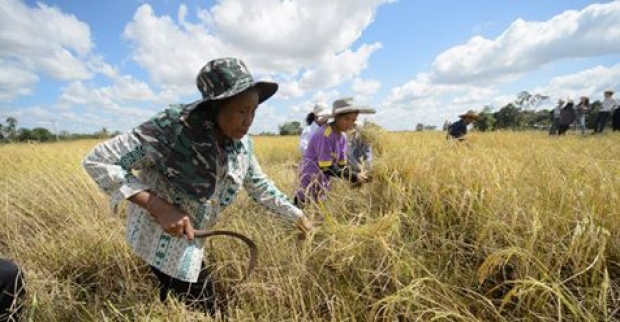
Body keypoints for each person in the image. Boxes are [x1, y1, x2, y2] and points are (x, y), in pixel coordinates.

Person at [82, 57, 313, 315]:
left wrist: (295, 214)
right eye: (241, 110)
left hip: (191, 239)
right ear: (215, 107)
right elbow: (98, 160)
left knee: (177, 299)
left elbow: (258, 184)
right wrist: (159, 207)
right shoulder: (169, 132)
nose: (249, 121)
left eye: (253, 111)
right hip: (161, 238)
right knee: (206, 307)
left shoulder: (242, 145)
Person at [294, 97, 374, 207]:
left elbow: (341, 165)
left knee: (319, 213)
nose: (350, 124)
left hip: (323, 181)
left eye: (353, 120)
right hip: (310, 180)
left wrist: (358, 172)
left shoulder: (342, 137)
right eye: (346, 119)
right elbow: (326, 167)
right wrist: (354, 177)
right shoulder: (324, 134)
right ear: (336, 117)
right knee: (303, 208)